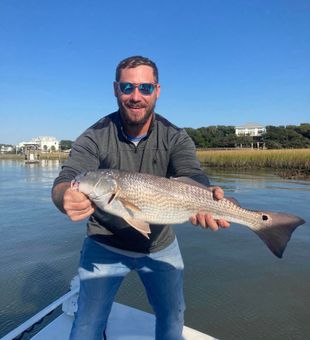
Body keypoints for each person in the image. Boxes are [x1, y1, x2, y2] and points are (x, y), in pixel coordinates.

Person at [52, 55, 230, 340]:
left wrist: (205, 197)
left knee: (173, 318)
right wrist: (65, 197)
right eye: (127, 87)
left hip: (160, 244)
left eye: (145, 88)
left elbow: (191, 173)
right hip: (104, 242)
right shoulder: (94, 136)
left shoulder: (176, 137)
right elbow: (67, 177)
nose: (136, 96)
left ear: (157, 91)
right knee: (86, 324)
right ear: (115, 89)